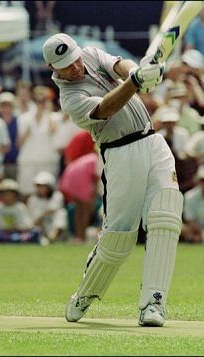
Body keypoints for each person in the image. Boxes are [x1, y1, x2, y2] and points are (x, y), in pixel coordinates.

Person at [43, 32, 183, 327]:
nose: (76, 67)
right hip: (120, 153)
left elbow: (119, 65)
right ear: (53, 69)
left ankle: (153, 303)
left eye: (75, 59)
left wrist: (136, 72)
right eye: (67, 66)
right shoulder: (70, 99)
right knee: (119, 238)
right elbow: (106, 108)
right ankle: (86, 293)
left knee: (166, 215)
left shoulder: (90, 55)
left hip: (152, 138)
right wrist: (135, 83)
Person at [59, 153, 103, 243]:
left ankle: (79, 237)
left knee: (79, 209)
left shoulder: (91, 158)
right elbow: (96, 178)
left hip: (68, 178)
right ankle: (82, 237)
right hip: (79, 180)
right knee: (85, 210)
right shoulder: (97, 160)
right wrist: (93, 196)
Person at [0, 178, 42, 244]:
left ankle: (14, 239)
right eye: (5, 194)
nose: (7, 197)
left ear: (15, 195)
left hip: (18, 233)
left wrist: (19, 228)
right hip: (2, 234)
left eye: (10, 194)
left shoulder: (21, 207)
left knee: (35, 232)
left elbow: (28, 225)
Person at [27, 171, 68, 243]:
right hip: (39, 226)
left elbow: (52, 210)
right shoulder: (32, 199)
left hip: (53, 224)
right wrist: (39, 219)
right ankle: (43, 238)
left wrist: (41, 216)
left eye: (43, 186)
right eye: (39, 186)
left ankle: (52, 238)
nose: (41, 188)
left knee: (62, 213)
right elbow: (34, 217)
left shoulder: (57, 195)